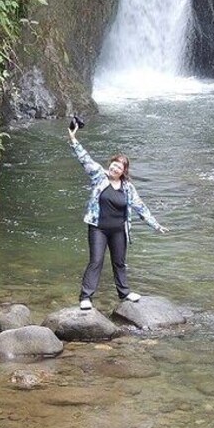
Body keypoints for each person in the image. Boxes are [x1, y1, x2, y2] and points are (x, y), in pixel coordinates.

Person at [67, 118, 168, 310]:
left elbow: (140, 207)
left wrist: (156, 225)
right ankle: (86, 297)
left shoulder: (128, 188)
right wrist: (73, 138)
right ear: (110, 165)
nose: (115, 168)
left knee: (119, 262)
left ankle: (124, 293)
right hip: (98, 228)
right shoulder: (99, 176)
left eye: (119, 168)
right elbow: (84, 158)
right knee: (96, 261)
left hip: (119, 230)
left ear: (123, 172)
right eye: (113, 165)